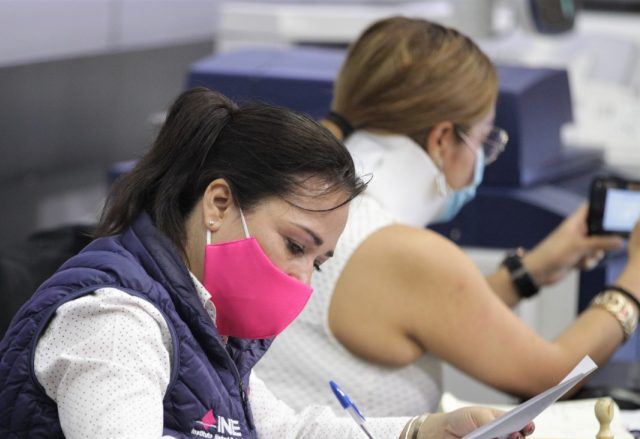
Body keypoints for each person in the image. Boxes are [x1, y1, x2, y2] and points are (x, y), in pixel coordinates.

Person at [0, 88, 531, 439]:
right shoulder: (110, 315)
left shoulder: (208, 319)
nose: (303, 280)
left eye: (318, 261)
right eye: (296, 245)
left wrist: (432, 435)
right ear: (219, 203)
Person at [257, 16, 640, 417]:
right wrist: (632, 282)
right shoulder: (397, 250)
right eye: (483, 140)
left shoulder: (311, 207)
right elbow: (549, 378)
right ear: (441, 139)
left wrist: (534, 270)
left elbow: (433, 312)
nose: (483, 159)